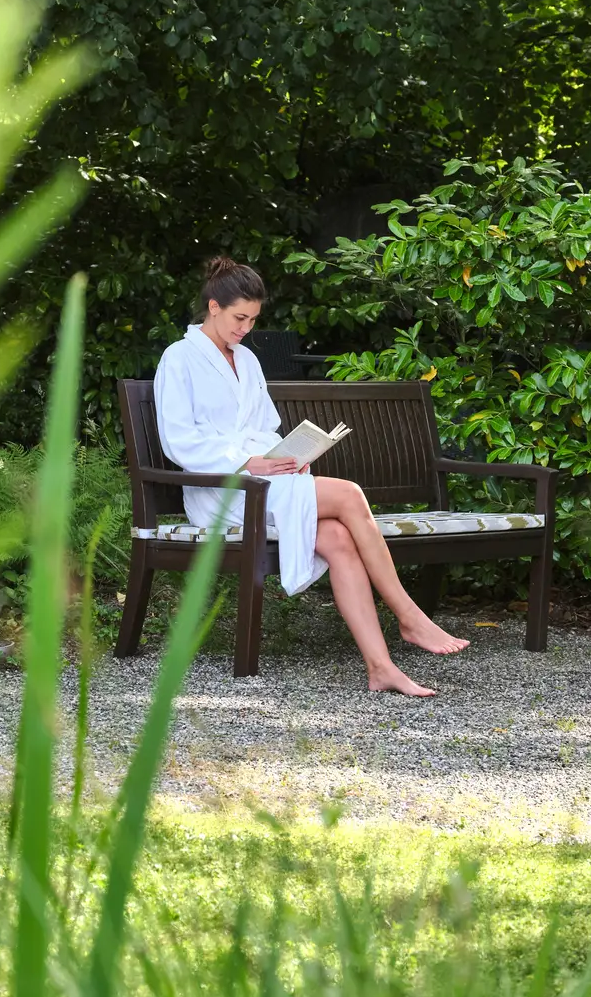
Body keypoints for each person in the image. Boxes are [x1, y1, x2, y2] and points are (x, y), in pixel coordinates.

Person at [153, 255, 467, 697]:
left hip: (266, 479)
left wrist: (286, 456)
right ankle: (409, 615)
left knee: (338, 538)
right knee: (350, 495)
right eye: (240, 318)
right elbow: (178, 441)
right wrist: (249, 462)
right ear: (213, 307)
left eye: (253, 320)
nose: (246, 328)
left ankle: (381, 668)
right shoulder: (179, 358)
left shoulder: (247, 360)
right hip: (222, 488)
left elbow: (265, 426)